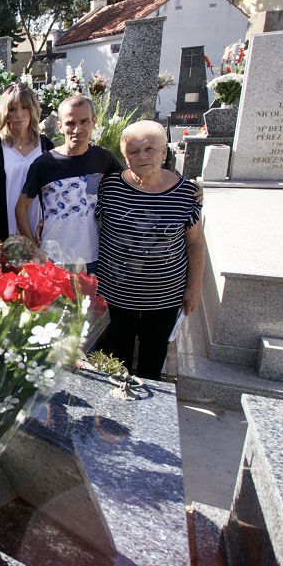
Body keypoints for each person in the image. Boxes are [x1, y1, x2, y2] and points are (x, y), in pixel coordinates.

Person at [95, 120, 205, 380]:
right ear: (124, 155)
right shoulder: (108, 187)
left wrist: (193, 288)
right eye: (133, 151)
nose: (142, 156)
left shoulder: (186, 193)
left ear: (164, 152)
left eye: (150, 149)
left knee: (151, 367)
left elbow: (195, 242)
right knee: (112, 366)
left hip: (164, 299)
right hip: (115, 296)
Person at [15, 94, 122, 269]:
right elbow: (21, 207)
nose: (77, 129)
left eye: (84, 121)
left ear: (94, 122)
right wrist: (34, 250)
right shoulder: (44, 163)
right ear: (60, 126)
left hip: (94, 256)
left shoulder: (103, 158)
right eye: (70, 123)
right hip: (53, 257)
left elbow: (125, 187)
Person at [0, 83, 53, 241]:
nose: (18, 114)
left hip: (40, 228)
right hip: (5, 229)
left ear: (32, 109)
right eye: (12, 109)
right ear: (5, 113)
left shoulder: (46, 145)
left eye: (24, 107)